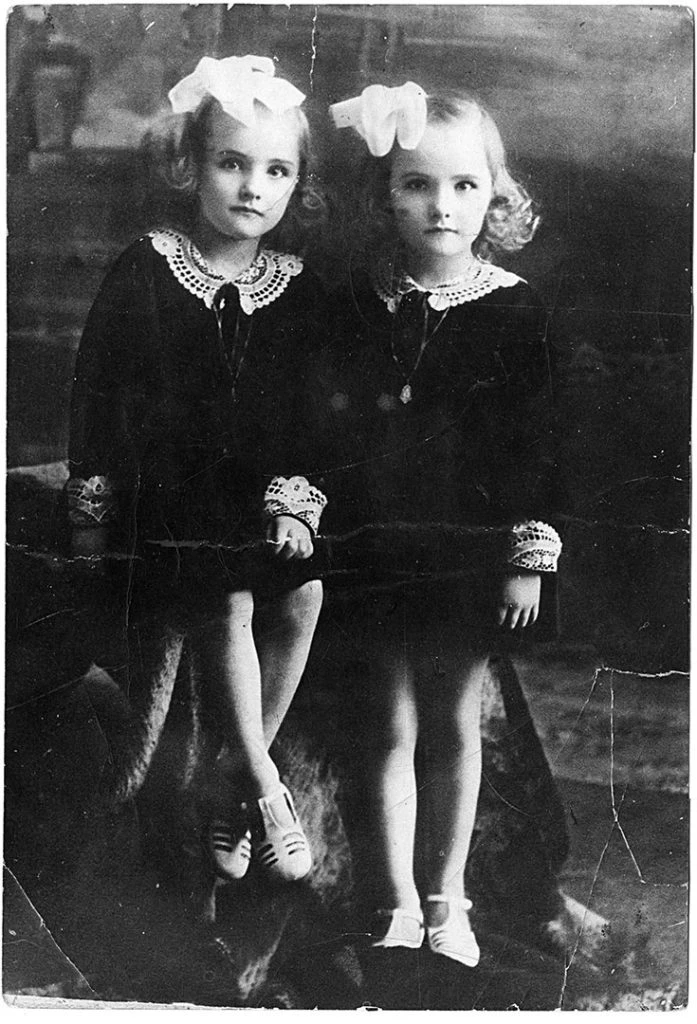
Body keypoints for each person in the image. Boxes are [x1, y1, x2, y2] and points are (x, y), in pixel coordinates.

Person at [67, 56, 329, 885]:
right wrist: (90, 521)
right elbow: (97, 400)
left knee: (306, 592)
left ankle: (230, 774)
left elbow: (306, 421)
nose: (253, 187)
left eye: (276, 170)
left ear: (296, 184)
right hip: (161, 500)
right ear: (189, 165)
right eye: (231, 163)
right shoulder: (148, 266)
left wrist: (291, 506)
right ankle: (262, 784)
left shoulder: (295, 289)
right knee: (232, 593)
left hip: (251, 501)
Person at [323, 83, 563, 965]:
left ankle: (445, 898)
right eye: (418, 185)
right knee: (385, 725)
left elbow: (536, 445)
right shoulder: (359, 301)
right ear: (385, 195)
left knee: (453, 724)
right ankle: (391, 900)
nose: (442, 206)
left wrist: (524, 556)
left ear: (494, 196)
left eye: (464, 186)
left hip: (465, 553)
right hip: (374, 547)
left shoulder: (514, 309)